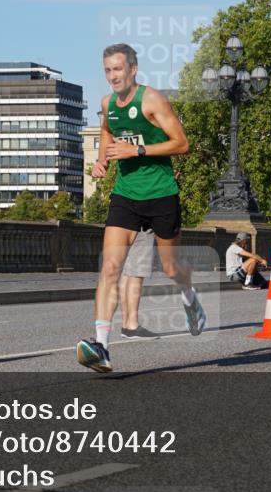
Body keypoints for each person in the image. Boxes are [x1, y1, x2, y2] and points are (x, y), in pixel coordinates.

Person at [77, 43, 206, 373]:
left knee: (172, 268)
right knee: (109, 268)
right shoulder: (108, 104)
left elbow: (182, 143)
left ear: (133, 69)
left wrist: (138, 152)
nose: (112, 76)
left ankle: (190, 297)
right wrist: (102, 160)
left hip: (161, 194)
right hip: (126, 196)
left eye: (118, 69)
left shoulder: (152, 100)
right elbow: (107, 131)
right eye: (107, 70)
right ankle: (101, 346)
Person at [118, 228, 159, 338]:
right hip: (142, 220)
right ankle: (132, 326)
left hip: (122, 219)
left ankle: (126, 325)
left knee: (127, 269)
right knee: (138, 267)